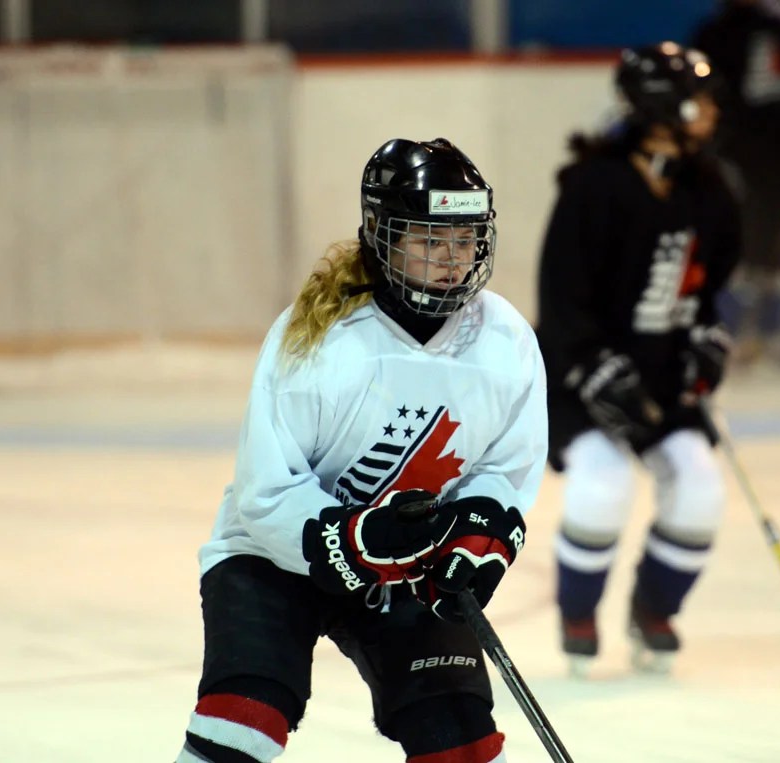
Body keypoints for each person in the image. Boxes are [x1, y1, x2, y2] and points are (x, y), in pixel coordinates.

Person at [175, 137, 548, 762]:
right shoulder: (320, 336)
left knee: (459, 739)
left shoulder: (504, 338)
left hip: (412, 565)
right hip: (275, 558)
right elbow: (266, 491)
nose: (453, 261)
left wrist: (479, 529)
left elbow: (502, 470)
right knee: (243, 722)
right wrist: (354, 540)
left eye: (464, 241)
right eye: (430, 241)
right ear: (382, 236)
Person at [535, 43, 741, 676]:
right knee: (603, 486)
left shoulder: (709, 188)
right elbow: (561, 299)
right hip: (581, 376)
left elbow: (711, 291)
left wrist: (708, 341)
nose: (709, 110)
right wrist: (594, 368)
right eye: (697, 98)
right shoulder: (595, 186)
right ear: (660, 105)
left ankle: (654, 610)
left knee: (701, 488)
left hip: (660, 376)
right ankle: (578, 612)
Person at [693, 0, 780, 367]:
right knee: (741, 249)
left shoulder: (776, 30)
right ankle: (733, 333)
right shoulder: (716, 34)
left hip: (773, 157)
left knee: (775, 248)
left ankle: (771, 332)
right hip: (739, 157)